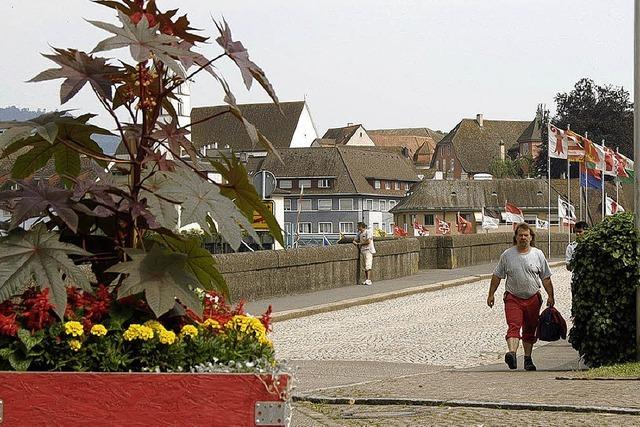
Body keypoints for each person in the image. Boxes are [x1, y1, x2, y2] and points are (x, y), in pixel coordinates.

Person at [487, 222, 555, 371]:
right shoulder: (507, 255)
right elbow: (497, 276)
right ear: (516, 237)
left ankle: (527, 358)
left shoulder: (538, 254)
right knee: (514, 326)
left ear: (531, 238)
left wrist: (551, 295)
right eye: (520, 235)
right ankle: (512, 354)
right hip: (513, 297)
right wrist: (491, 294)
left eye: (526, 235)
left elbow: (546, 277)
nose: (523, 238)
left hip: (532, 298)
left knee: (530, 329)